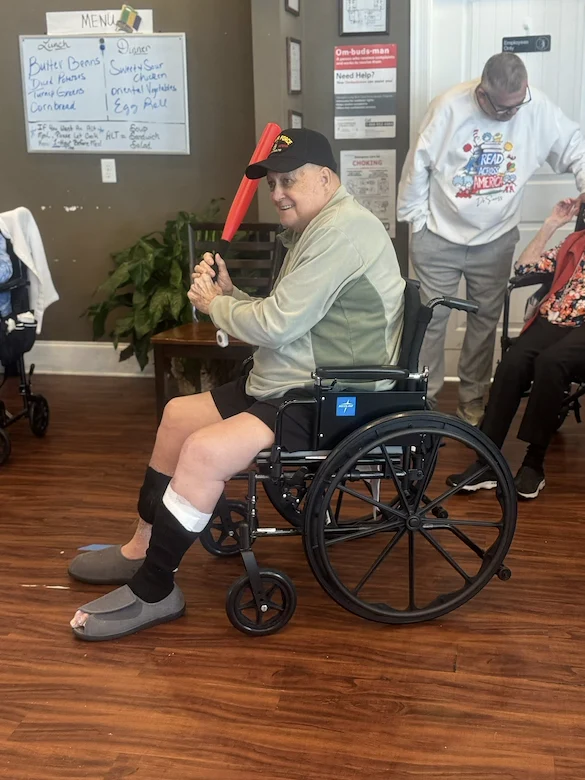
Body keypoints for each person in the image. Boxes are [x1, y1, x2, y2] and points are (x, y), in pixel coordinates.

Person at [67, 127, 406, 641]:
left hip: (328, 392)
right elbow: (287, 314)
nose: (277, 193)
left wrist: (212, 305)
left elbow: (275, 325)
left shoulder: (342, 232)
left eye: (288, 180)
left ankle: (157, 589)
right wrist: (232, 292)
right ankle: (141, 547)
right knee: (179, 416)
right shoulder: (317, 227)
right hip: (290, 373)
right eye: (271, 183)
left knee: (203, 452)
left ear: (325, 177)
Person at [397, 52, 585, 426]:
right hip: (438, 235)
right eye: (501, 109)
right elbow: (417, 167)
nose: (509, 116)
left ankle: (471, 404)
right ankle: (423, 407)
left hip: (496, 239)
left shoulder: (539, 108)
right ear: (482, 92)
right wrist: (414, 222)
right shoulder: (449, 107)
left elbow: (576, 149)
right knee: (431, 321)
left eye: (517, 107)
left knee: (483, 324)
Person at [447, 196, 585, 499]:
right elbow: (524, 267)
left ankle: (533, 465)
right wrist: (550, 225)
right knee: (513, 362)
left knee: (551, 363)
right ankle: (486, 462)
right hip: (554, 320)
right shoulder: (575, 242)